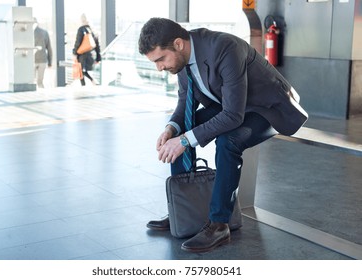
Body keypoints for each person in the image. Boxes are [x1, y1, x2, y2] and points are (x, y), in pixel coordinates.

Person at [138, 18, 308, 253]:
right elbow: (183, 104)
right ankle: (184, 211)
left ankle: (219, 223)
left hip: (268, 108)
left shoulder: (224, 48)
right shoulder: (182, 60)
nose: (159, 68)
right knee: (177, 136)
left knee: (229, 141)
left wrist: (186, 139)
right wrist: (172, 130)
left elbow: (232, 117)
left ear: (178, 44)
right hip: (233, 104)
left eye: (160, 60)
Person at [73, 13, 101, 86]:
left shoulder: (81, 29)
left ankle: (86, 84)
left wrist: (75, 53)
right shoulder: (93, 30)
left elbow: (78, 42)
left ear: (82, 20)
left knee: (81, 71)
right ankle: (92, 81)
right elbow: (97, 46)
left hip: (83, 54)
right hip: (92, 54)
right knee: (84, 71)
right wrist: (98, 57)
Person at [34, 18, 52, 88]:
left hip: (32, 60)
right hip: (42, 60)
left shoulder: (28, 33)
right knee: (40, 82)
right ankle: (41, 95)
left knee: (31, 82)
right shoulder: (44, 32)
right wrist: (50, 62)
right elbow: (49, 48)